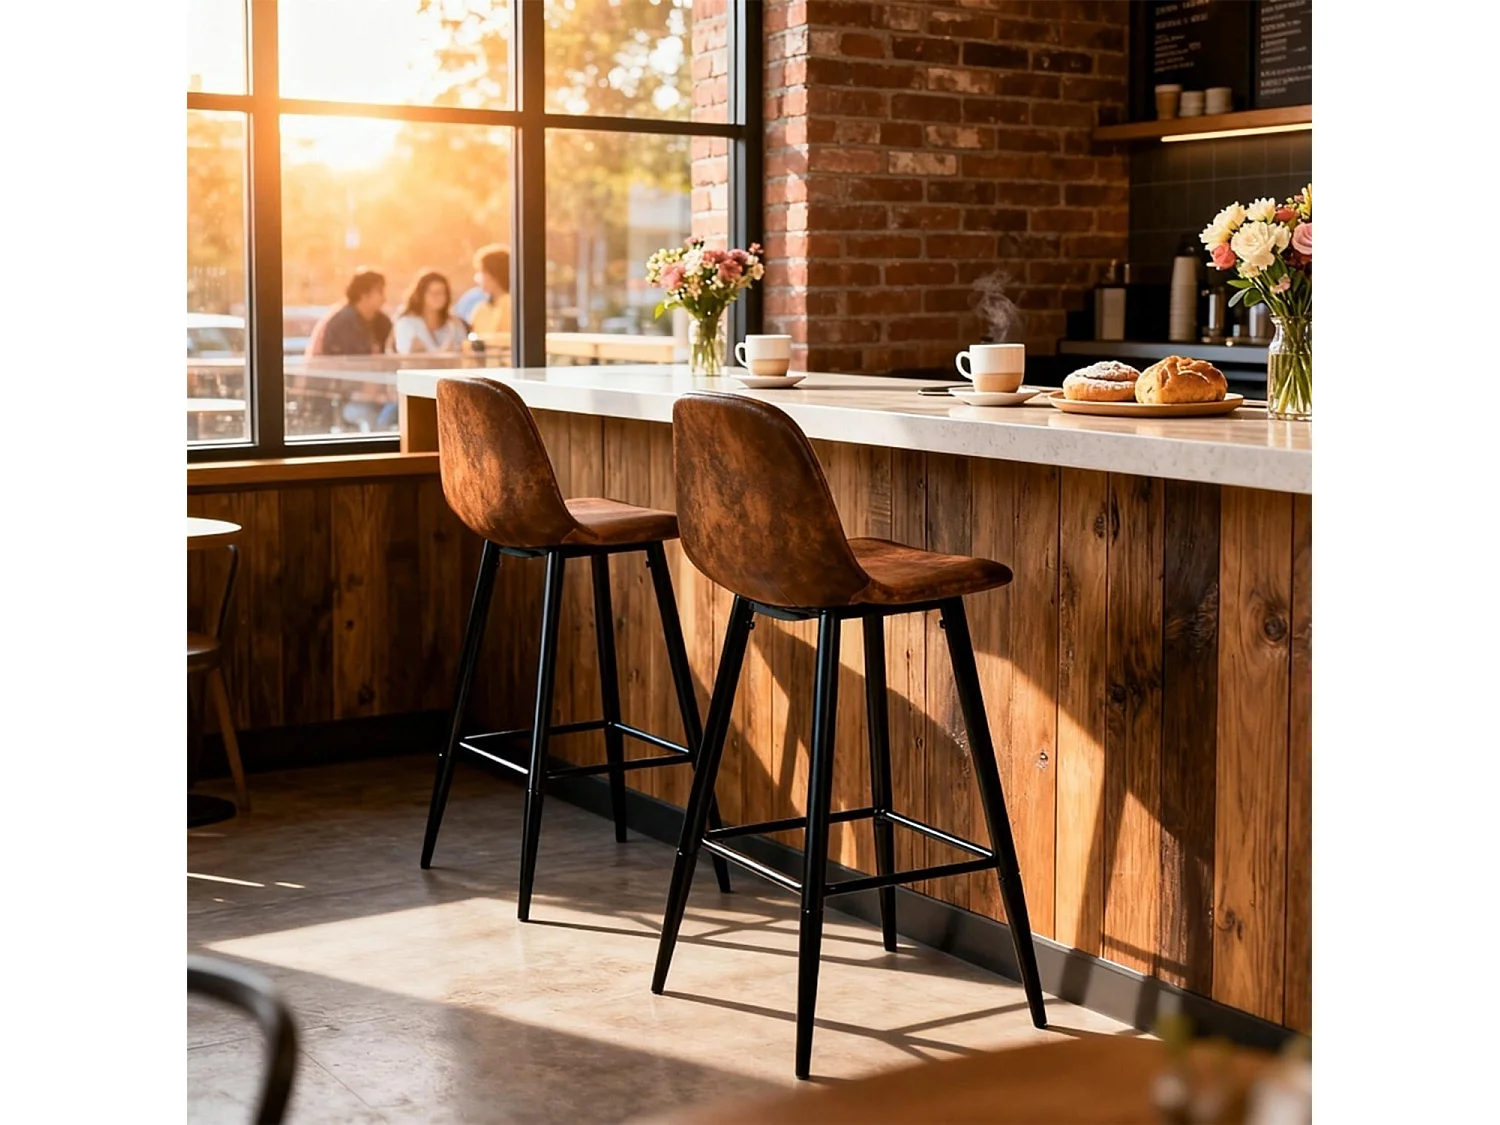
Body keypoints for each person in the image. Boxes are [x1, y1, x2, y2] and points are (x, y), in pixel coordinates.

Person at [304, 269, 388, 358]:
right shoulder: (342, 322)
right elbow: (347, 361)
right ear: (364, 294)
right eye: (380, 291)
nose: (384, 298)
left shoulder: (381, 322)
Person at [392, 270, 467, 354]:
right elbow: (406, 352)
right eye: (433, 293)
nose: (438, 297)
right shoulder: (407, 322)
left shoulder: (454, 323)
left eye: (442, 292)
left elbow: (464, 350)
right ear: (421, 294)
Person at [466, 244, 512, 345]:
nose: (479, 278)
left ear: (493, 275)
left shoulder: (511, 306)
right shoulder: (481, 309)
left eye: (481, 272)